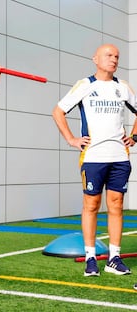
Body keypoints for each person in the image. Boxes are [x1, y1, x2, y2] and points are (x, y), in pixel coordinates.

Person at [52, 44, 137, 277]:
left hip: (120, 156)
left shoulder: (122, 87)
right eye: (109, 55)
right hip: (93, 157)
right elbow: (58, 111)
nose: (114, 59)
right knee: (91, 205)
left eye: (117, 56)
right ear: (96, 59)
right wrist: (71, 138)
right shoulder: (85, 86)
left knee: (116, 205)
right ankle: (91, 258)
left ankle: (114, 258)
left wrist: (135, 137)